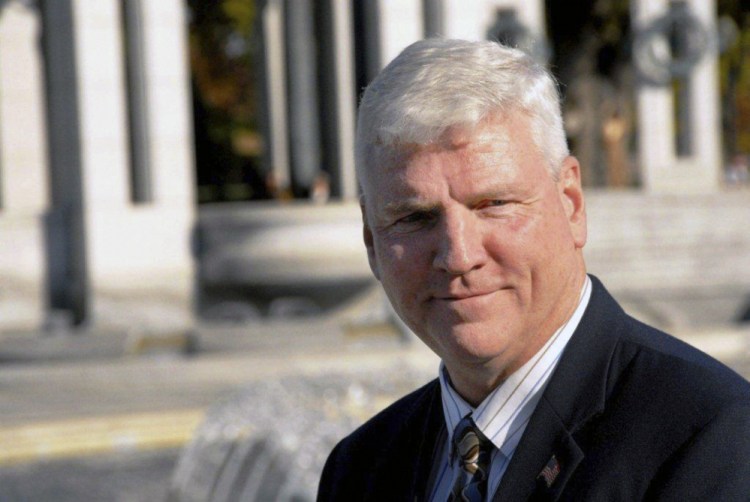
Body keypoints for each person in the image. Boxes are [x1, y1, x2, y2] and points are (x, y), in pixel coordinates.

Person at [317, 39, 750, 501]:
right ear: (371, 240)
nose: (459, 256)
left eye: (493, 204)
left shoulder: (711, 437)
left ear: (571, 204)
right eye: (415, 218)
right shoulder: (360, 468)